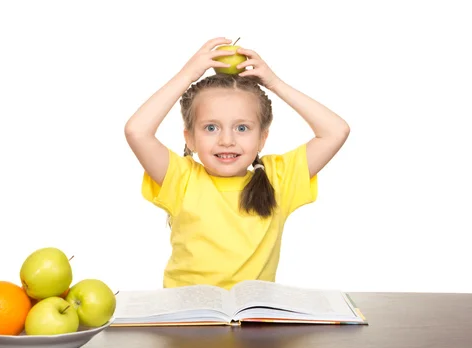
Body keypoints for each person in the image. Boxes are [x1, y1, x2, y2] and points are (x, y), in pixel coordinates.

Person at [124, 37, 350, 290]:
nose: (227, 140)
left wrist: (275, 84)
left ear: (262, 137)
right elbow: (137, 131)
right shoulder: (181, 178)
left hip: (255, 319)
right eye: (211, 127)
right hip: (188, 317)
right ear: (190, 138)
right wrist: (187, 74)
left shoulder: (278, 178)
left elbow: (335, 131)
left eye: (242, 127)